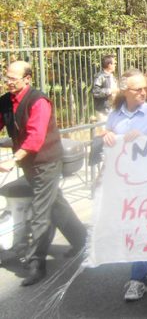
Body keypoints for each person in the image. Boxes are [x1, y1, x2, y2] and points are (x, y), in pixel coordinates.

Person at [0, 61, 87, 286]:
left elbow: (35, 137)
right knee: (55, 203)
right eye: (6, 77)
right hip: (30, 164)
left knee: (40, 213)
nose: (8, 81)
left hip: (46, 161)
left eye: (13, 78)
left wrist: (13, 159)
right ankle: (82, 240)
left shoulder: (39, 101)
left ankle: (35, 264)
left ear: (27, 78)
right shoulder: (5, 102)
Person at [102, 69, 147, 301]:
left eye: (145, 88)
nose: (143, 92)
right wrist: (107, 137)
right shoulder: (115, 116)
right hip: (123, 182)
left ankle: (137, 280)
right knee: (131, 227)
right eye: (137, 89)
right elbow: (108, 137)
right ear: (125, 91)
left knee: (140, 227)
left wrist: (145, 139)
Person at [92, 54, 118, 122]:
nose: (115, 65)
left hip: (113, 109)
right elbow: (96, 92)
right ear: (109, 65)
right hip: (103, 110)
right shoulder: (100, 77)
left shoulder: (112, 76)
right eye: (114, 64)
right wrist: (110, 91)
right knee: (105, 131)